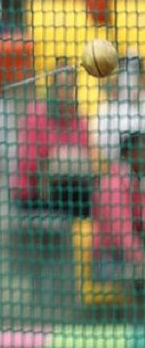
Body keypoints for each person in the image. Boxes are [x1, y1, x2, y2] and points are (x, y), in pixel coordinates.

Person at [11, 63, 94, 218]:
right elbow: (28, 164)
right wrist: (55, 162)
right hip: (34, 195)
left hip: (69, 194)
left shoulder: (79, 121)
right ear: (53, 89)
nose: (66, 92)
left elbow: (87, 160)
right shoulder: (37, 115)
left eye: (70, 87)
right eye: (62, 87)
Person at [91, 128, 145, 299]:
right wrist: (141, 259)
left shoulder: (134, 182)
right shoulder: (113, 184)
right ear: (129, 153)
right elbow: (122, 234)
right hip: (111, 261)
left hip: (130, 258)